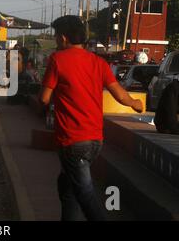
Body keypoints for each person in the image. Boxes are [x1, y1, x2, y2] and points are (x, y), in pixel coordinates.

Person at [40, 16, 143, 221]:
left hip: (72, 139)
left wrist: (57, 101)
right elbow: (120, 95)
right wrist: (135, 104)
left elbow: (44, 98)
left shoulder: (57, 60)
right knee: (67, 188)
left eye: (55, 36)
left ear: (63, 38)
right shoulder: (99, 62)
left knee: (85, 194)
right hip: (95, 140)